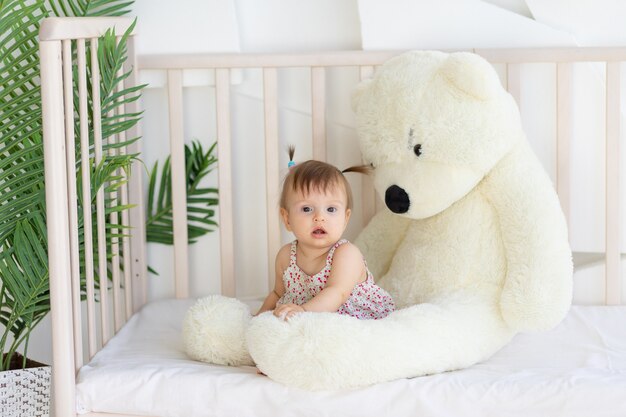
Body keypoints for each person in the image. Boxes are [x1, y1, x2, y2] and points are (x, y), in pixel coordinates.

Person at [256, 147, 395, 321]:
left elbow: (338, 292)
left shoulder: (346, 253)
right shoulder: (285, 257)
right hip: (309, 317)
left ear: (345, 218)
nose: (319, 217)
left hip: (355, 321)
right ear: (287, 219)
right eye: (306, 209)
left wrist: (303, 311)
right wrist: (258, 318)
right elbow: (278, 294)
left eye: (331, 209)